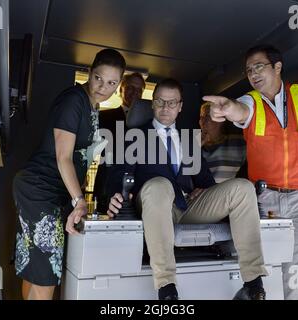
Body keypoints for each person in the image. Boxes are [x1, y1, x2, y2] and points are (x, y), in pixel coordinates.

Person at [204, 44, 298, 300]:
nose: (252, 73)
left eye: (259, 66)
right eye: (248, 70)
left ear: (277, 67)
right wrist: (226, 108)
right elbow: (239, 110)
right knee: (263, 269)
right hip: (264, 201)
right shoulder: (249, 101)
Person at [107, 78, 268, 300]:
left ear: (180, 106)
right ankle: (167, 289)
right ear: (153, 103)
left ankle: (253, 283)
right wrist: (116, 193)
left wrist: (204, 190)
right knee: (159, 185)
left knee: (242, 188)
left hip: (187, 206)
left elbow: (205, 181)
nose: (166, 108)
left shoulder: (188, 140)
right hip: (154, 204)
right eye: (160, 101)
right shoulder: (133, 137)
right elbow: (118, 173)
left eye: (172, 103)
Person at [12, 48, 126, 300]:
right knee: (47, 273)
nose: (103, 87)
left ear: (118, 85)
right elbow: (63, 157)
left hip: (47, 190)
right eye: (98, 78)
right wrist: (79, 202)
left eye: (111, 83)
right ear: (89, 72)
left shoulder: (93, 107)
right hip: (41, 189)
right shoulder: (74, 99)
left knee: (35, 268)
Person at [93, 73, 146, 212]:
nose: (134, 92)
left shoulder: (149, 123)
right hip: (108, 185)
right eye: (130, 88)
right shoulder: (103, 117)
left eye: (138, 89)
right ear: (120, 89)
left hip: (139, 188)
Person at [199, 102, 246, 183]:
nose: (203, 121)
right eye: (201, 117)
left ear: (220, 120)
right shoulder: (190, 141)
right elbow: (183, 176)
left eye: (207, 116)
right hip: (198, 193)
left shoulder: (237, 143)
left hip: (225, 191)